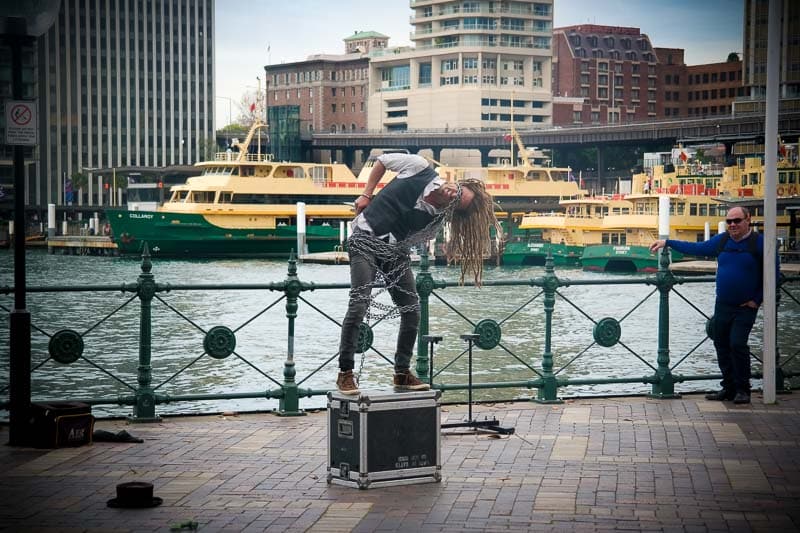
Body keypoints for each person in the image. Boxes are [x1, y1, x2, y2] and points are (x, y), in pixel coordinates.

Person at [336, 152, 501, 395]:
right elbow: (382, 161)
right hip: (364, 238)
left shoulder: (435, 220)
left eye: (457, 202)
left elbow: (411, 239)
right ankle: (345, 373)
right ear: (458, 184)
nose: (453, 195)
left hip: (394, 252)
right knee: (360, 302)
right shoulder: (420, 168)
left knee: (412, 310)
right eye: (459, 191)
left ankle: (402, 373)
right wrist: (366, 194)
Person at [649, 206, 777, 404]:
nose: (732, 225)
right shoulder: (722, 240)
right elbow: (697, 248)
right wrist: (667, 242)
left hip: (746, 306)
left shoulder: (760, 244)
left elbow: (773, 273)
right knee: (721, 344)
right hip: (723, 304)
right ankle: (728, 388)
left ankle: (743, 389)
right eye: (729, 221)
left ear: (748, 220)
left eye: (737, 220)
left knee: (737, 344)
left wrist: (757, 300)